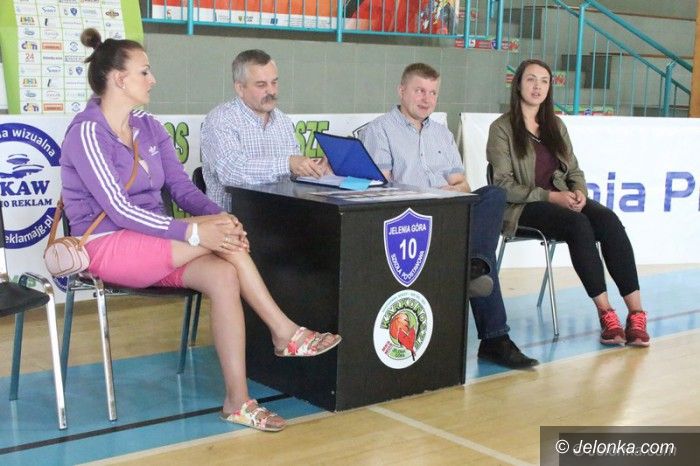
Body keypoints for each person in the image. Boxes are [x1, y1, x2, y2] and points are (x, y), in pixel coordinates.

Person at [60, 29, 341, 433]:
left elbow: (182, 189)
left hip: (153, 241)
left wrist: (220, 217)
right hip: (107, 244)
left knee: (224, 272)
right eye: (144, 72)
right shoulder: (87, 131)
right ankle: (284, 332)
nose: (153, 79)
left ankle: (238, 401)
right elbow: (119, 211)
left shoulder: (148, 126)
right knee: (221, 238)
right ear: (120, 79)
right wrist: (194, 234)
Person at [360, 63, 538, 369]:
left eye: (433, 93)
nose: (427, 99)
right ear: (401, 91)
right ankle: (495, 338)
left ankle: (473, 265)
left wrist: (451, 191)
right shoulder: (379, 130)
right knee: (481, 255)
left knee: (493, 195)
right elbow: (384, 189)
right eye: (419, 91)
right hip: (409, 220)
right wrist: (433, 192)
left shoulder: (442, 134)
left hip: (451, 214)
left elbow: (463, 185)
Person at [486, 58, 650, 347]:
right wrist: (551, 197)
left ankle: (636, 314)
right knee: (578, 224)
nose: (537, 87)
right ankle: (606, 314)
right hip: (524, 207)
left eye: (544, 81)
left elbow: (574, 171)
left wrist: (579, 192)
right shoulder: (501, 128)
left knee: (609, 221)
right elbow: (502, 185)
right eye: (531, 79)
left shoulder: (555, 125)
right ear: (518, 84)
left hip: (562, 198)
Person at [200, 49, 330, 211]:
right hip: (232, 219)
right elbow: (231, 172)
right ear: (240, 88)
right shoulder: (221, 119)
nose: (272, 91)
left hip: (280, 215)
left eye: (274, 82)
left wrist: (314, 169)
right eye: (261, 85)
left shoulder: (283, 121)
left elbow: (292, 174)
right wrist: (288, 163)